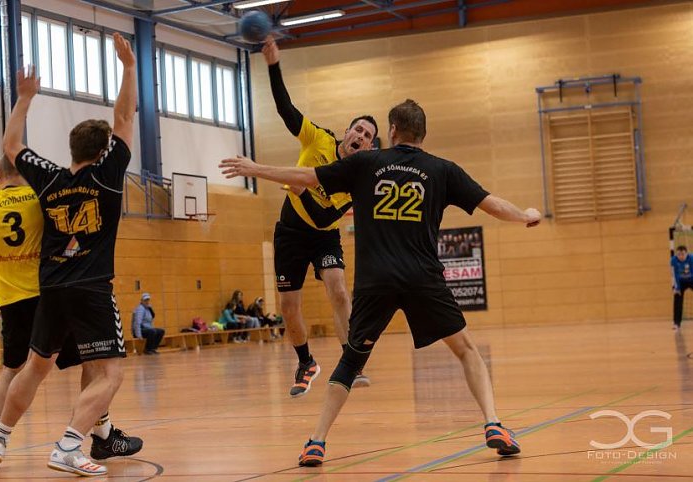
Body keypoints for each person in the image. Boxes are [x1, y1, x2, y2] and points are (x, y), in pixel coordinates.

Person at [220, 98, 541, 465]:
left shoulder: (365, 163)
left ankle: (316, 441)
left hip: (376, 281)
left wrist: (255, 168)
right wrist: (526, 215)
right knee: (466, 349)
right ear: (423, 133)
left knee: (351, 361)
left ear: (391, 131)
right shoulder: (443, 170)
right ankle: (494, 423)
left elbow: (305, 177)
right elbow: (493, 205)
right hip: (423, 278)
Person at [0, 33, 142, 477]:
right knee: (110, 373)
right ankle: (70, 445)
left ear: (71, 149)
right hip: (90, 286)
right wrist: (127, 68)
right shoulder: (108, 176)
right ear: (103, 149)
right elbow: (124, 115)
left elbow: (12, 147)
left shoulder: (47, 179)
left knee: (35, 366)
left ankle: (0, 436)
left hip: (49, 285)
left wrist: (24, 98)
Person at [262, 35, 375, 396]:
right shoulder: (318, 140)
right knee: (288, 306)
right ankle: (306, 362)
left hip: (323, 233)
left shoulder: (357, 180)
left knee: (338, 289)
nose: (360, 135)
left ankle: (350, 360)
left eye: (368, 135)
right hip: (290, 231)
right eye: (357, 128)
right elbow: (285, 110)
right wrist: (274, 65)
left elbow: (325, 220)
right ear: (346, 132)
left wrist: (300, 189)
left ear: (369, 148)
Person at [672, 245, 693, 330]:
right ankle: (677, 323)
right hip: (681, 282)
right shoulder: (673, 260)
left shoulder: (691, 259)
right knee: (677, 299)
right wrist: (677, 288)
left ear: (686, 254)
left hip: (691, 280)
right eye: (679, 254)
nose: (681, 256)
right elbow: (675, 275)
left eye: (683, 254)